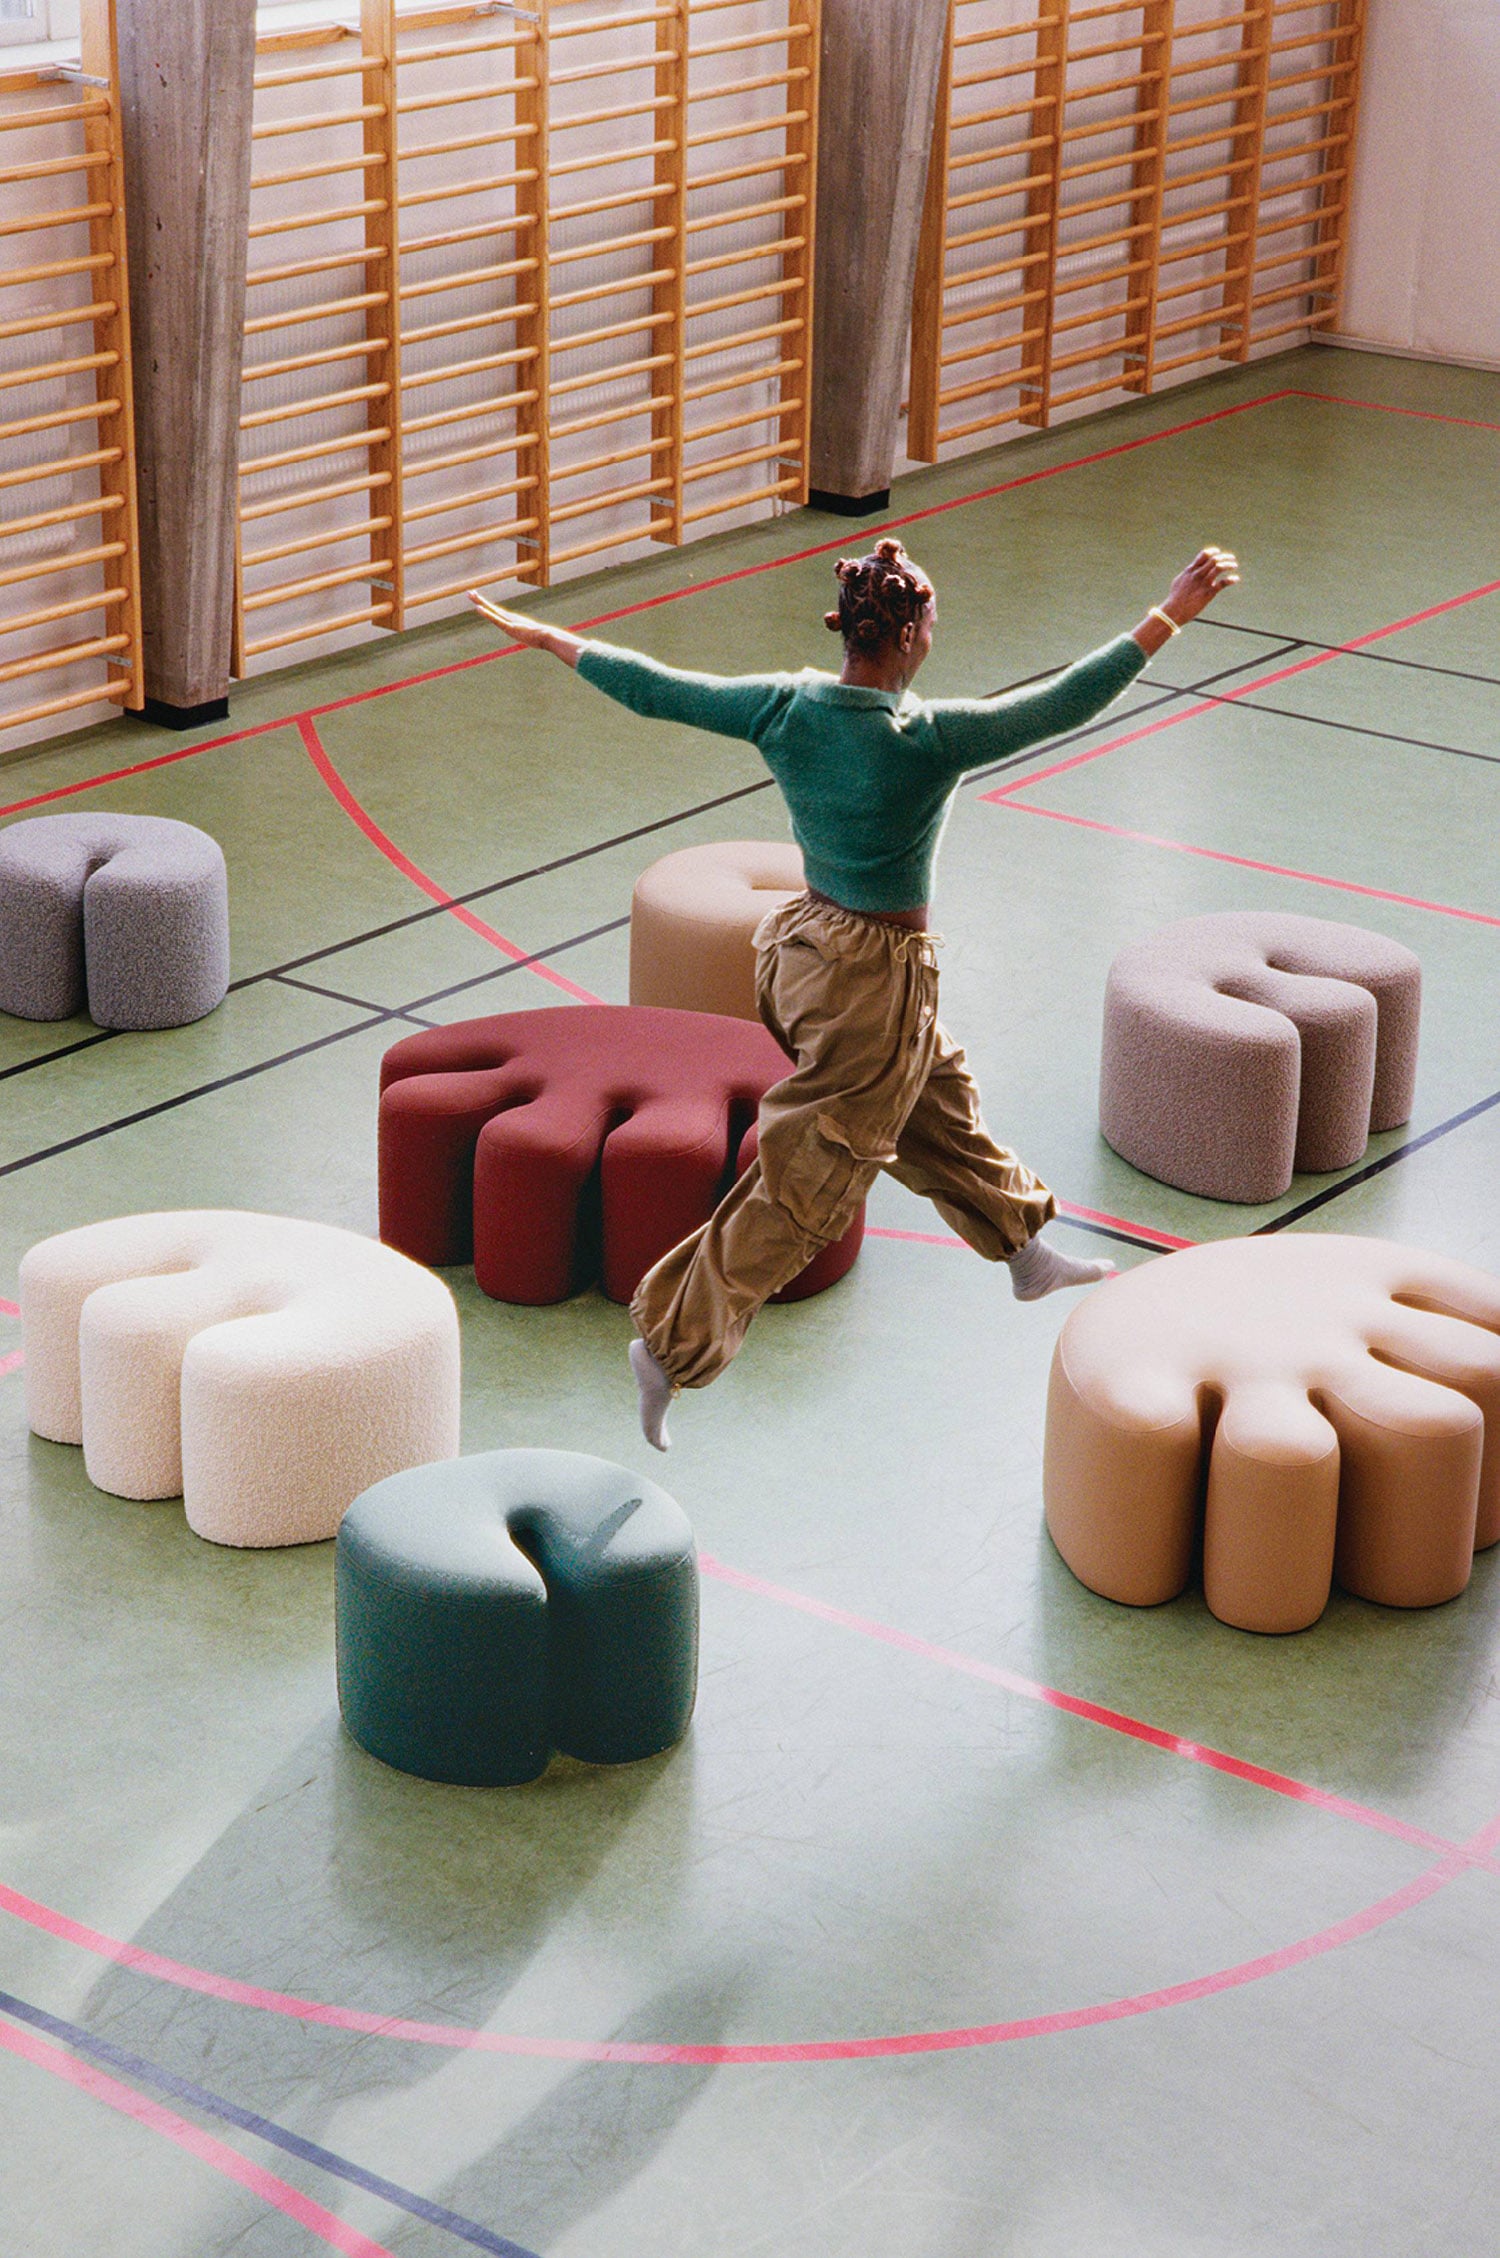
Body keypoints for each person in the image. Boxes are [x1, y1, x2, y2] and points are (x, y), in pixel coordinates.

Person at [470, 538, 1239, 1450]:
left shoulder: (785, 707)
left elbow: (655, 686)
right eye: (933, 626)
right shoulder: (927, 739)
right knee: (812, 1177)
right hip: (869, 978)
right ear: (909, 636)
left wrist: (553, 639)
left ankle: (1023, 1250)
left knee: (935, 1099)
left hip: (800, 952)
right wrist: (1171, 613)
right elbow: (1064, 701)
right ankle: (669, 1345)